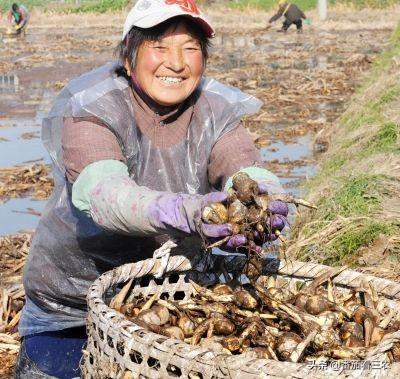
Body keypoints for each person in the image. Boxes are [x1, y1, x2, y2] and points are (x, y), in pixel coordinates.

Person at [14, 0, 288, 377]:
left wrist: (266, 198)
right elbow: (105, 194)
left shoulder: (216, 111)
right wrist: (189, 212)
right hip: (72, 305)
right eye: (159, 46)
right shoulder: (95, 107)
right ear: (128, 57)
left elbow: (244, 169)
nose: (176, 62)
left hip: (171, 300)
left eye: (190, 47)